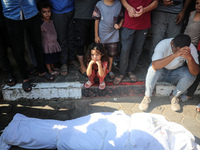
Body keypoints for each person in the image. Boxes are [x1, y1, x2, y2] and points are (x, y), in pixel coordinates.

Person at [1, 0, 54, 93]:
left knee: (37, 44)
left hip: (31, 13)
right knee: (19, 49)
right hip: (12, 15)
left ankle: (42, 70)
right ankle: (25, 78)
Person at [139, 34, 199, 112]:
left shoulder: (190, 48)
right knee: (152, 69)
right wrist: (174, 55)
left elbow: (195, 73)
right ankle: (147, 96)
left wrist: (190, 58)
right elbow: (155, 66)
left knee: (190, 75)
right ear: (172, 43)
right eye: (175, 50)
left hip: (175, 73)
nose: (178, 53)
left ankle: (174, 96)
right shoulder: (163, 44)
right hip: (161, 71)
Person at [113, 0, 158, 84]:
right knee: (125, 49)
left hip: (144, 23)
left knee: (138, 49)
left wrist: (144, 10)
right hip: (128, 22)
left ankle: (130, 70)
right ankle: (122, 73)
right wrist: (129, 8)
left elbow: (155, 3)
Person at [92, 0, 124, 79]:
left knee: (111, 55)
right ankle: (101, 70)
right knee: (101, 54)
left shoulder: (118, 4)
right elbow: (96, 20)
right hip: (102, 34)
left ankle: (109, 70)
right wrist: (96, 35)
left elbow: (122, 17)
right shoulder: (99, 4)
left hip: (114, 35)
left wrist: (119, 25)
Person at [49, 0, 79, 76]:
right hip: (58, 11)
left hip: (71, 9)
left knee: (71, 37)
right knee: (62, 39)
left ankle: (72, 59)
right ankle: (64, 63)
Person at [74, 0, 99, 77]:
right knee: (80, 42)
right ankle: (82, 66)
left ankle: (90, 64)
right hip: (81, 15)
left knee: (92, 43)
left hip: (95, 15)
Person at [37, 0, 61, 76]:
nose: (47, 14)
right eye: (44, 12)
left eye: (49, 11)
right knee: (48, 59)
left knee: (53, 57)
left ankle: (53, 68)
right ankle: (50, 70)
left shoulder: (51, 21)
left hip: (54, 43)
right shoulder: (41, 24)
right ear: (40, 12)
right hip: (47, 44)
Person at [184, 0, 200, 104]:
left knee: (192, 68)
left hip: (194, 46)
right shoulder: (191, 13)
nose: (199, 6)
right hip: (184, 42)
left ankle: (189, 92)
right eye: (197, 3)